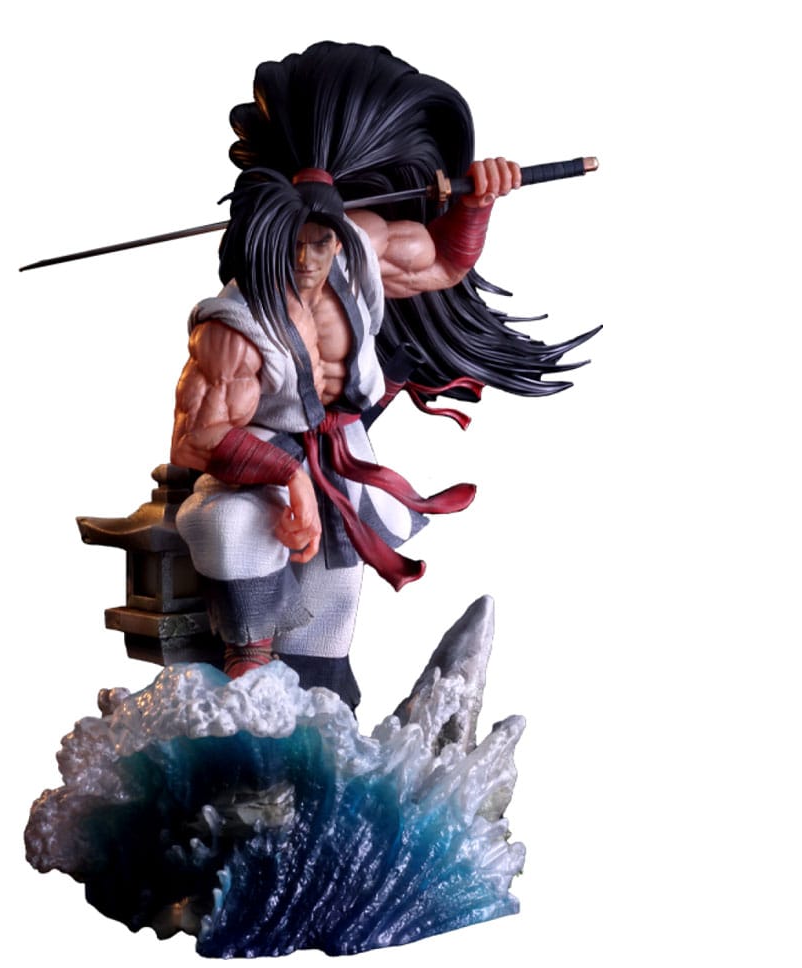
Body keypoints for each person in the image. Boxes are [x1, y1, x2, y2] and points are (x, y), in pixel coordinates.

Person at [171, 43, 597, 709]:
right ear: (264, 235)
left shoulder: (360, 247)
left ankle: (323, 712)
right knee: (229, 528)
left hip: (341, 449)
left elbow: (445, 264)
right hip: (261, 459)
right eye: (293, 244)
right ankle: (247, 659)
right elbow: (197, 439)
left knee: (333, 599)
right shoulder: (235, 325)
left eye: (321, 241)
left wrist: (479, 202)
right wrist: (287, 477)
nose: (309, 259)